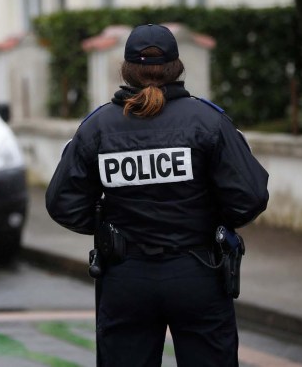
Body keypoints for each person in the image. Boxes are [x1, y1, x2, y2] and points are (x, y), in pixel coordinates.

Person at [45, 24, 269, 367]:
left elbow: (62, 202)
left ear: (126, 70)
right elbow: (249, 196)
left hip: (125, 276)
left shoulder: (98, 127)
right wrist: (208, 219)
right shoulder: (208, 122)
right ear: (177, 67)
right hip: (198, 272)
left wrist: (108, 227)